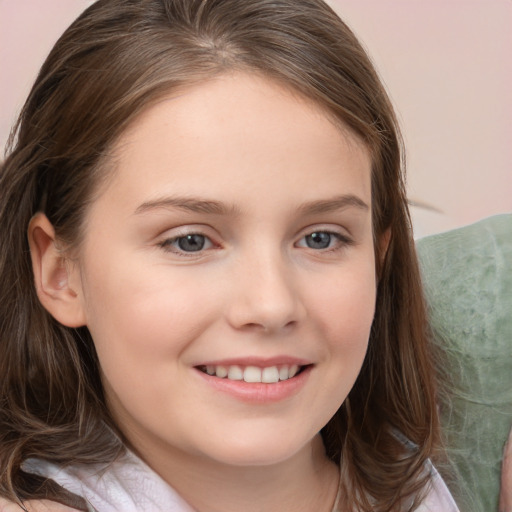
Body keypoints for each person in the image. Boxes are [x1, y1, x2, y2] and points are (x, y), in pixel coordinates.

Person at [0, 0, 459, 510]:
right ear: (61, 272)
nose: (270, 305)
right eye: (189, 241)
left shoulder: (418, 481)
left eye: (320, 238)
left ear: (378, 257)